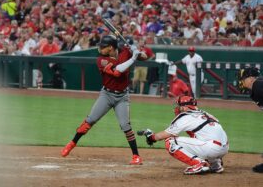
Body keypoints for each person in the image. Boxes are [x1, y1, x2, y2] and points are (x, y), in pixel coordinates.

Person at [61, 35, 143, 165]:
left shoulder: (125, 52)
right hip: (107, 95)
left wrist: (136, 50)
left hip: (122, 97)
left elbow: (144, 58)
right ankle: (71, 144)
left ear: (111, 48)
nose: (100, 49)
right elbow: (117, 72)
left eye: (103, 47)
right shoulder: (101, 60)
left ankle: (136, 156)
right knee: (89, 121)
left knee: (125, 126)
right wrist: (133, 57)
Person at [138, 95, 229, 175]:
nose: (177, 108)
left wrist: (152, 137)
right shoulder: (204, 113)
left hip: (211, 148)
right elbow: (194, 135)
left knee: (170, 141)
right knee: (198, 140)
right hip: (224, 148)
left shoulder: (185, 117)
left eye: (179, 106)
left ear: (185, 107)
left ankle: (198, 163)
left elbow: (165, 135)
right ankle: (215, 164)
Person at [237, 67, 263, 173]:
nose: (241, 81)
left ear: (251, 78)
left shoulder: (258, 85)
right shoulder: (257, 87)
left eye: (243, 78)